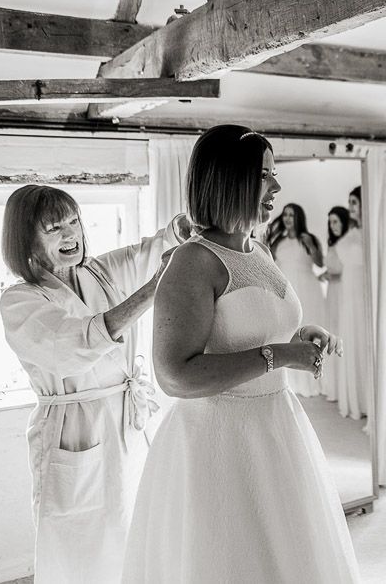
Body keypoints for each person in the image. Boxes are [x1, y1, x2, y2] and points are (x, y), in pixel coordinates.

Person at [122, 125, 359, 582]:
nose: (276, 186)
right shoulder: (192, 261)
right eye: (264, 175)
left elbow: (254, 324)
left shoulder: (260, 248)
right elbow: (175, 376)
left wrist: (300, 333)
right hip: (219, 437)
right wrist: (282, 354)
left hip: (276, 427)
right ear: (229, 179)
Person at [0, 185, 187, 583]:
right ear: (26, 239)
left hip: (125, 426)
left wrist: (187, 226)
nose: (71, 234)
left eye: (74, 221)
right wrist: (156, 287)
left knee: (134, 533)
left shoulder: (100, 272)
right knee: (81, 550)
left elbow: (151, 251)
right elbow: (76, 342)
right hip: (73, 431)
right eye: (54, 228)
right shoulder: (20, 301)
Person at [268, 203, 327, 397]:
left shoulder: (308, 239)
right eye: (285, 214)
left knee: (310, 331)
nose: (287, 218)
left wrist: (311, 245)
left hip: (309, 290)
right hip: (288, 290)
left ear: (298, 217)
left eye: (291, 215)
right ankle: (292, 381)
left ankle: (315, 376)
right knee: (290, 333)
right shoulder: (277, 242)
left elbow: (320, 263)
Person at [326, 188, 370, 421]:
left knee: (364, 342)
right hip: (347, 294)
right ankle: (356, 399)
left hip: (362, 293)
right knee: (351, 341)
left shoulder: (370, 231)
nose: (351, 207)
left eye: (354, 202)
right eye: (350, 202)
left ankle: (368, 399)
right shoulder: (352, 233)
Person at [319, 206, 351, 404]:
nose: (333, 225)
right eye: (330, 222)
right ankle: (336, 385)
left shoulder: (349, 244)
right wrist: (326, 274)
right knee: (333, 331)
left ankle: (348, 385)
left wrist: (335, 275)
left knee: (345, 331)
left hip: (345, 293)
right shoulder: (331, 245)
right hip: (332, 293)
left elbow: (351, 271)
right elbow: (331, 268)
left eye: (336, 221)